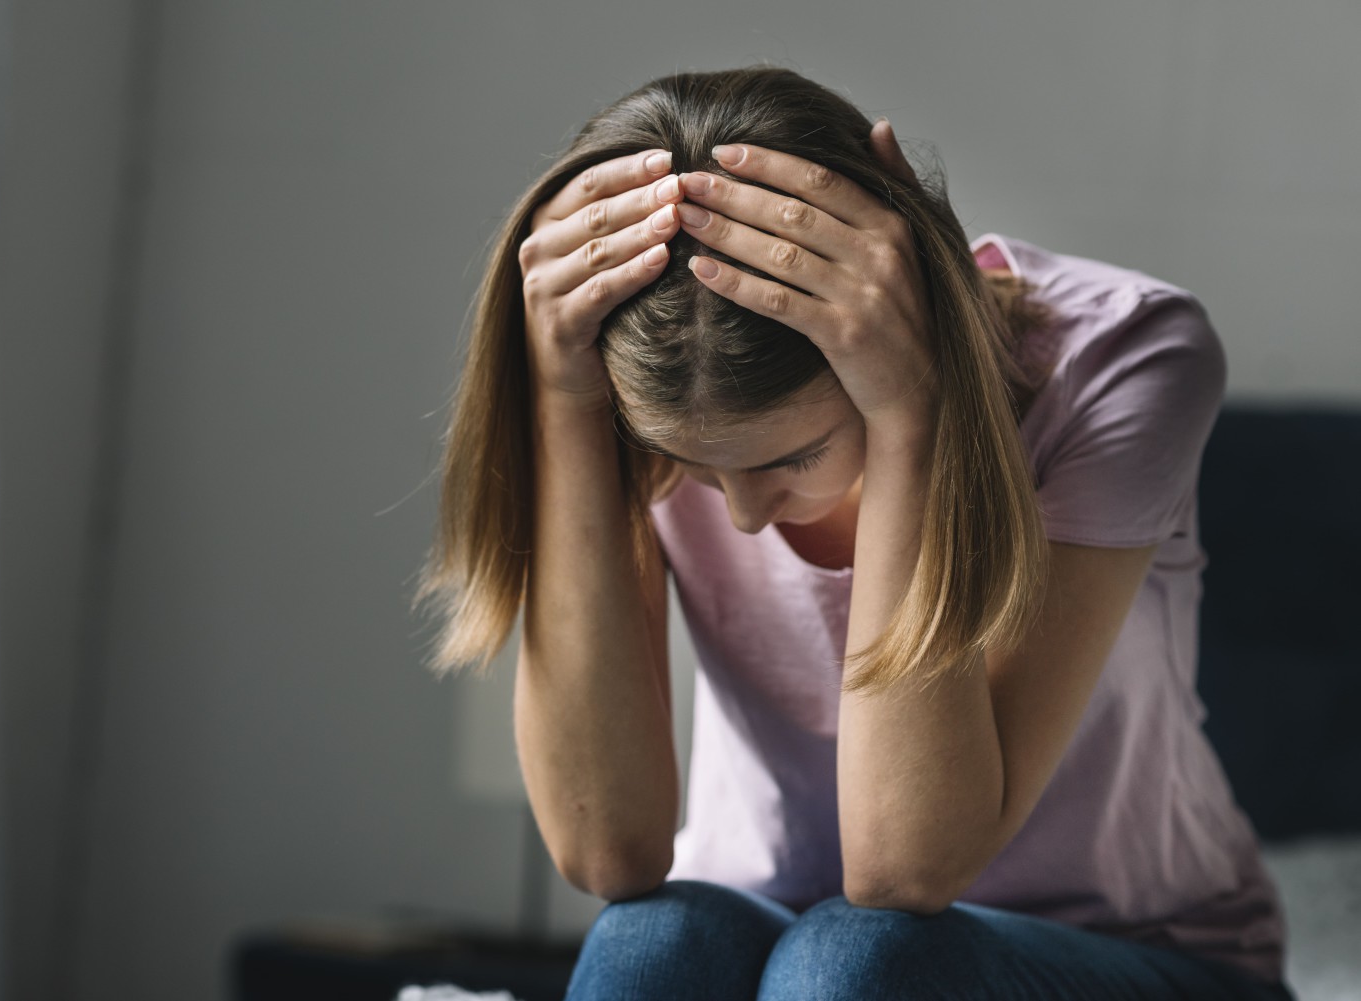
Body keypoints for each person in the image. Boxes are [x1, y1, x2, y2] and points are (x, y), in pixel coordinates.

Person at [414, 66, 1296, 1000]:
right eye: (699, 470)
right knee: (650, 943)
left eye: (789, 458)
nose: (742, 514)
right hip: (781, 939)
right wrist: (567, 399)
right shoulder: (634, 394)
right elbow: (608, 849)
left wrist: (914, 409)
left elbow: (904, 873)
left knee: (857, 960)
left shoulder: (1126, 358)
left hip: (1141, 952)